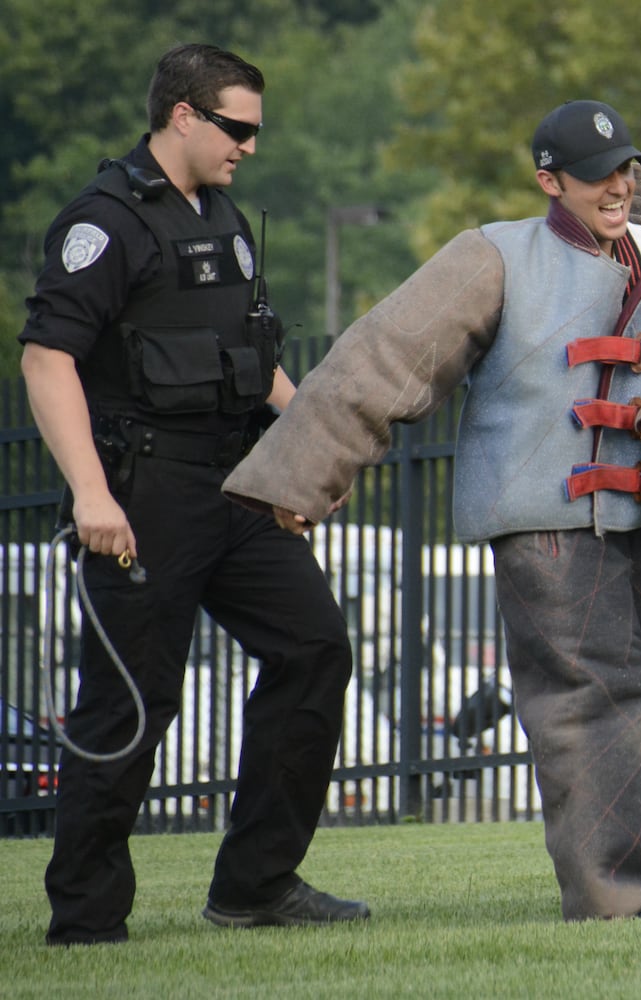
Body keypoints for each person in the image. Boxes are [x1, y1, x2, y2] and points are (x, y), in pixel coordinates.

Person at [223, 99, 641, 920]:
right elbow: (384, 359)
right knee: (597, 696)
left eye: (626, 168)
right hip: (540, 521)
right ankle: (617, 893)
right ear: (550, 181)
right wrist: (299, 478)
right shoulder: (495, 256)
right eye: (595, 176)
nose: (617, 186)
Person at [19, 43, 368, 945]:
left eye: (255, 131)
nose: (249, 146)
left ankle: (256, 884)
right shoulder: (104, 221)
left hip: (238, 488)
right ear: (183, 114)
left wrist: (312, 457)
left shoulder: (223, 217)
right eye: (237, 128)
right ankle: (87, 919)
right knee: (134, 702)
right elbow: (47, 357)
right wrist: (91, 496)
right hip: (145, 496)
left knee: (315, 649)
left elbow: (256, 366)